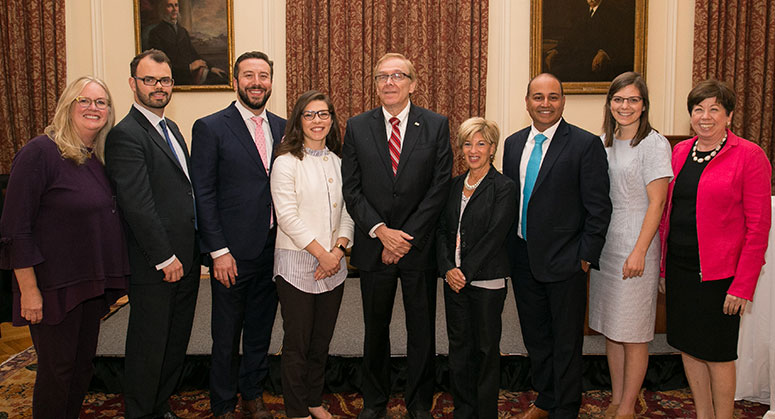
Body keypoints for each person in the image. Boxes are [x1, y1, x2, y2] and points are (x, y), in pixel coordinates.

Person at [0, 76, 129, 419]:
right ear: (67, 107)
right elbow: (15, 229)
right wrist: (29, 291)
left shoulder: (95, 159)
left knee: (81, 368)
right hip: (53, 286)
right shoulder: (39, 153)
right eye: (84, 101)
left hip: (89, 285)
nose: (93, 108)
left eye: (101, 102)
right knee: (56, 374)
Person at [341, 52, 452, 419]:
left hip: (417, 249)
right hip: (375, 247)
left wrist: (404, 238)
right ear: (374, 84)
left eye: (397, 76)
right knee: (376, 329)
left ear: (413, 83)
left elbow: (439, 188)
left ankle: (419, 403)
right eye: (381, 76)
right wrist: (381, 233)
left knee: (422, 330)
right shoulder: (357, 126)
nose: (389, 82)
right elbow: (352, 189)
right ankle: (375, 401)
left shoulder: (435, 125)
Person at [658, 79, 771, 419]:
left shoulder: (749, 156)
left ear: (729, 116)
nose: (705, 116)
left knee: (718, 354)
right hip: (680, 268)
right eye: (698, 109)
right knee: (688, 348)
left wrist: (743, 285)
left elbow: (758, 227)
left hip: (721, 276)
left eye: (714, 109)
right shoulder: (679, 152)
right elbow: (669, 214)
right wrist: (663, 269)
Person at [502, 73, 612, 419]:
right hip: (522, 257)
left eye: (553, 97)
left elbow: (599, 207)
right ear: (527, 102)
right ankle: (546, 398)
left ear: (563, 101)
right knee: (536, 338)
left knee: (566, 341)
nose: (545, 104)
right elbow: (510, 200)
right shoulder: (513, 143)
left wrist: (585, 257)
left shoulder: (584, 144)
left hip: (567, 260)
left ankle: (566, 407)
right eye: (538, 97)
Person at [105, 49, 201, 419]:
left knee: (174, 344)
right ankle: (141, 411)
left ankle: (161, 407)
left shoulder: (171, 128)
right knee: (149, 347)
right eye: (150, 80)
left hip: (186, 260)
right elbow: (137, 204)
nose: (158, 87)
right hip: (156, 265)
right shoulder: (126, 135)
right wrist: (164, 257)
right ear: (133, 84)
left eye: (165, 80)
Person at [190, 50, 285, 419]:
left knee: (261, 331)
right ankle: (223, 404)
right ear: (235, 81)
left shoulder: (284, 126)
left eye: (263, 75)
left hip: (273, 249)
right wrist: (218, 251)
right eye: (249, 75)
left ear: (271, 82)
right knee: (226, 336)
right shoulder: (211, 126)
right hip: (231, 253)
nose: (257, 82)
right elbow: (204, 193)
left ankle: (253, 394)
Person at [587, 72, 672, 419]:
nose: (625, 106)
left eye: (633, 100)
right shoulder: (603, 141)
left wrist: (640, 250)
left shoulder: (654, 144)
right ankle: (616, 398)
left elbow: (657, 204)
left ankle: (627, 407)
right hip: (607, 242)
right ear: (610, 103)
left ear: (644, 105)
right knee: (612, 327)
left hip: (638, 240)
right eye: (619, 99)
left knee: (634, 331)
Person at [270, 90, 354, 419]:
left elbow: (348, 211)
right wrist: (322, 254)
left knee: (321, 341)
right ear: (298, 120)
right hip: (297, 263)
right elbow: (287, 217)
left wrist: (339, 250)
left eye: (323, 114)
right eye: (309, 114)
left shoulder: (339, 161)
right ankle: (295, 411)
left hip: (334, 263)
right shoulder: (286, 161)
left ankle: (313, 400)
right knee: (297, 344)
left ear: (332, 120)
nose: (317, 121)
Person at [436, 117, 517, 418]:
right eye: (468, 143)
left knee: (485, 351)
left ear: (492, 148)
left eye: (481, 143)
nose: (473, 150)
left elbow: (495, 235)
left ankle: (485, 413)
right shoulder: (454, 185)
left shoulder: (504, 187)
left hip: (485, 281)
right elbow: (442, 231)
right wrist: (447, 269)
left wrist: (464, 272)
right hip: (454, 280)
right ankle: (463, 410)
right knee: (459, 349)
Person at [545, 0, 635, 82]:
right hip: (580, 57)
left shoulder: (612, 13)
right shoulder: (582, 12)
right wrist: (556, 50)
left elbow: (618, 39)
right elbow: (571, 37)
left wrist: (604, 52)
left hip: (597, 61)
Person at [147, 0, 227, 85]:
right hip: (173, 78)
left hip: (189, 75)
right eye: (170, 6)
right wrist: (188, 68)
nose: (174, 9)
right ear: (162, 9)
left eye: (176, 5)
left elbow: (193, 53)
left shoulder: (182, 31)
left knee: (222, 79)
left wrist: (211, 67)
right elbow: (159, 64)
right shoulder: (156, 33)